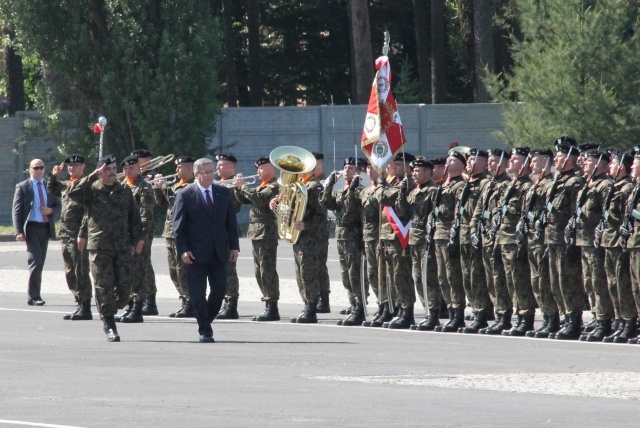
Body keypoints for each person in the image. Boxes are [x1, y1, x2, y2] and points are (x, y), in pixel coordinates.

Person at [67, 154, 143, 342]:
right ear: (100, 172)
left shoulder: (124, 190)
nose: (112, 172)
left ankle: (112, 307)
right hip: (99, 248)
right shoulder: (92, 191)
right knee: (103, 287)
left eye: (113, 168)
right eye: (107, 169)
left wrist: (136, 240)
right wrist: (93, 175)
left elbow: (134, 217)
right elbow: (72, 193)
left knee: (125, 287)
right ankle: (109, 324)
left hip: (122, 247)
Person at [172, 157, 240, 342]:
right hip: (195, 253)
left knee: (219, 290)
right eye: (205, 172)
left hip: (219, 252)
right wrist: (183, 250)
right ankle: (205, 330)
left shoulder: (223, 193)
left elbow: (231, 223)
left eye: (211, 171)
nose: (210, 175)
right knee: (197, 294)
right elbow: (178, 227)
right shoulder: (185, 194)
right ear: (196, 175)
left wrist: (234, 246)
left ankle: (205, 320)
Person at [269, 168, 327, 324]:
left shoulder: (314, 187)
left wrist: (306, 225)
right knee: (300, 272)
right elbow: (290, 210)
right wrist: (277, 206)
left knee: (308, 272)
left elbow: (322, 215)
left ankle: (311, 308)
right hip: (298, 237)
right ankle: (307, 304)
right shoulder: (298, 185)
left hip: (311, 237)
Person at [541, 137, 584, 340]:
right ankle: (563, 319)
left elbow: (575, 213)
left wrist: (572, 239)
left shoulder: (574, 182)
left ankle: (573, 321)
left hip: (565, 239)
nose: (556, 160)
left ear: (569, 158)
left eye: (559, 156)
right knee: (555, 282)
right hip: (552, 238)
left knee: (568, 282)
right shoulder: (555, 182)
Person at [492, 147, 535, 336]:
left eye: (516, 159)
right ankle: (505, 316)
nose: (511, 162)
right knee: (505, 280)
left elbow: (526, 216)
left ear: (525, 163)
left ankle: (525, 318)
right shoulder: (511, 185)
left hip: (516, 240)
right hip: (503, 237)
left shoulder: (527, 187)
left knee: (519, 280)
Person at [520, 148, 563, 339]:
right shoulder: (535, 185)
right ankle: (546, 318)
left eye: (535, 162)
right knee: (536, 280)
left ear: (546, 162)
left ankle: (552, 318)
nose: (531, 165)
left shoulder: (550, 184)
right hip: (533, 238)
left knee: (546, 280)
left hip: (545, 239)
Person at [234, 157, 281, 322]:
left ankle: (272, 306)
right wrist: (238, 189)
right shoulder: (261, 186)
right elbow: (245, 200)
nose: (257, 173)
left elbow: (260, 199)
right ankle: (267, 303)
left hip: (266, 232)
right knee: (259, 271)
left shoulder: (274, 186)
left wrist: (244, 186)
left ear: (270, 168)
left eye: (260, 169)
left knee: (267, 270)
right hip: (256, 232)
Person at [395, 157, 439, 331]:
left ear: (428, 172)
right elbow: (403, 213)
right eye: (413, 170)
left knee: (429, 278)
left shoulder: (433, 191)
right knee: (418, 277)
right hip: (415, 238)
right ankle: (427, 310)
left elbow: (434, 215)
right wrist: (402, 193)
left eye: (418, 171)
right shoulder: (414, 192)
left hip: (426, 238)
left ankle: (433, 313)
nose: (414, 173)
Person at [574, 150, 612, 342]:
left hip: (596, 241)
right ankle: (597, 317)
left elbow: (607, 214)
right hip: (584, 239)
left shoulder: (604, 185)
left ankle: (604, 321)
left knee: (598, 282)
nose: (585, 164)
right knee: (589, 282)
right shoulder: (588, 184)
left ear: (602, 164)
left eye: (590, 161)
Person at [320, 157, 364, 326]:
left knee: (354, 274)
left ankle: (359, 308)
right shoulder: (340, 191)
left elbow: (354, 206)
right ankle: (353, 305)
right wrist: (329, 185)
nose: (347, 170)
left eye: (351, 168)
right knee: (345, 274)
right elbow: (326, 203)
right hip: (341, 235)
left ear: (358, 172)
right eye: (345, 167)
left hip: (353, 235)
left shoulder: (360, 189)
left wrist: (352, 190)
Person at [48, 154, 93, 320]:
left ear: (83, 167)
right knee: (70, 270)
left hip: (78, 235)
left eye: (76, 165)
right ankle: (79, 301)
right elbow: (51, 189)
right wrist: (54, 174)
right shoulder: (67, 185)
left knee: (80, 270)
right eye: (70, 166)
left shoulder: (86, 185)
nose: (72, 168)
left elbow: (88, 213)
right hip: (66, 234)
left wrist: (83, 233)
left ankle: (85, 306)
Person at [471, 148, 510, 335]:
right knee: (490, 278)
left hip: (498, 237)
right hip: (486, 236)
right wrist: (474, 230)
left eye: (494, 161)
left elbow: (500, 212)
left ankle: (504, 316)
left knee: (499, 278)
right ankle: (496, 313)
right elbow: (479, 210)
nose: (490, 165)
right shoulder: (489, 185)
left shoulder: (506, 184)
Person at [113, 155, 156, 324]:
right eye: (125, 168)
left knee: (139, 271)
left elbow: (146, 215)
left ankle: (138, 308)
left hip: (139, 236)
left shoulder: (143, 187)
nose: (127, 171)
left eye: (131, 168)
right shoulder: (122, 186)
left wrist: (140, 239)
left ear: (139, 169)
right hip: (125, 236)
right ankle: (130, 306)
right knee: (127, 272)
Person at [376, 152, 416, 329]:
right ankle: (398, 309)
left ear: (408, 167)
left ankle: (407, 312)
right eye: (394, 164)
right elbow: (382, 197)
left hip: (400, 236)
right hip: (388, 236)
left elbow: (385, 197)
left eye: (398, 165)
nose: (393, 167)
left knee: (402, 275)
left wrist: (381, 186)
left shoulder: (407, 183)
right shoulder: (393, 182)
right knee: (392, 276)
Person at [454, 149, 492, 334]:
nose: (468, 162)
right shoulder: (466, 183)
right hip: (463, 235)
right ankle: (475, 311)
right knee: (467, 276)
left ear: (484, 164)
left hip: (476, 236)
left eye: (472, 160)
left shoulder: (485, 183)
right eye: (468, 160)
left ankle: (481, 314)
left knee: (477, 277)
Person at [153, 156, 196, 318]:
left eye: (179, 168)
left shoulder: (191, 186)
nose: (176, 171)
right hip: (169, 231)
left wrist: (164, 188)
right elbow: (163, 204)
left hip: (183, 232)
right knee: (173, 270)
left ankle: (190, 301)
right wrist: (158, 189)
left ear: (189, 169)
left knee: (183, 269)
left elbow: (177, 200)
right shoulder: (176, 185)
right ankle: (184, 299)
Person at [600, 149, 635, 343]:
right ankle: (619, 320)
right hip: (610, 240)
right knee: (613, 284)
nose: (610, 167)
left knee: (624, 285)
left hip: (622, 242)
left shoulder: (626, 189)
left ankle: (629, 322)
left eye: (613, 163)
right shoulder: (615, 187)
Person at [13, 158, 59, 306]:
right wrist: (18, 231)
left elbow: (59, 205)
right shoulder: (23, 186)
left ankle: (34, 295)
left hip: (45, 228)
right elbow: (17, 210)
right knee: (35, 261)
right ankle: (34, 296)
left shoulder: (49, 186)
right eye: (36, 168)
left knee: (41, 262)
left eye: (41, 168)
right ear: (30, 170)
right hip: (31, 227)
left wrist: (51, 210)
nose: (39, 170)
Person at [431, 150, 467, 332]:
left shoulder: (460, 185)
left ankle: (458, 314)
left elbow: (458, 213)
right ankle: (451, 311)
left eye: (453, 159)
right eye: (448, 159)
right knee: (442, 277)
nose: (448, 162)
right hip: (439, 234)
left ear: (462, 165)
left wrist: (455, 235)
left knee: (453, 277)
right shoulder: (444, 185)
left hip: (449, 235)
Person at [214, 153, 243, 320]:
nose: (218, 167)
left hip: (226, 233)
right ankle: (223, 301)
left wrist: (239, 188)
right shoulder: (215, 184)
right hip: (213, 233)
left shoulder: (233, 185)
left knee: (228, 271)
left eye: (222, 165)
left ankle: (231, 305)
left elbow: (236, 208)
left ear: (232, 167)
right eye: (218, 164)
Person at [131, 148, 159, 315]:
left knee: (144, 265)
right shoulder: (130, 178)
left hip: (144, 228)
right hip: (131, 229)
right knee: (137, 265)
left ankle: (149, 299)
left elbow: (149, 207)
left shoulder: (150, 178)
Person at [312, 151, 333, 314]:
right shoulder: (306, 181)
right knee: (310, 266)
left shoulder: (324, 182)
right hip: (307, 231)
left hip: (319, 230)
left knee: (319, 265)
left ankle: (323, 299)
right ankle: (314, 296)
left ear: (320, 163)